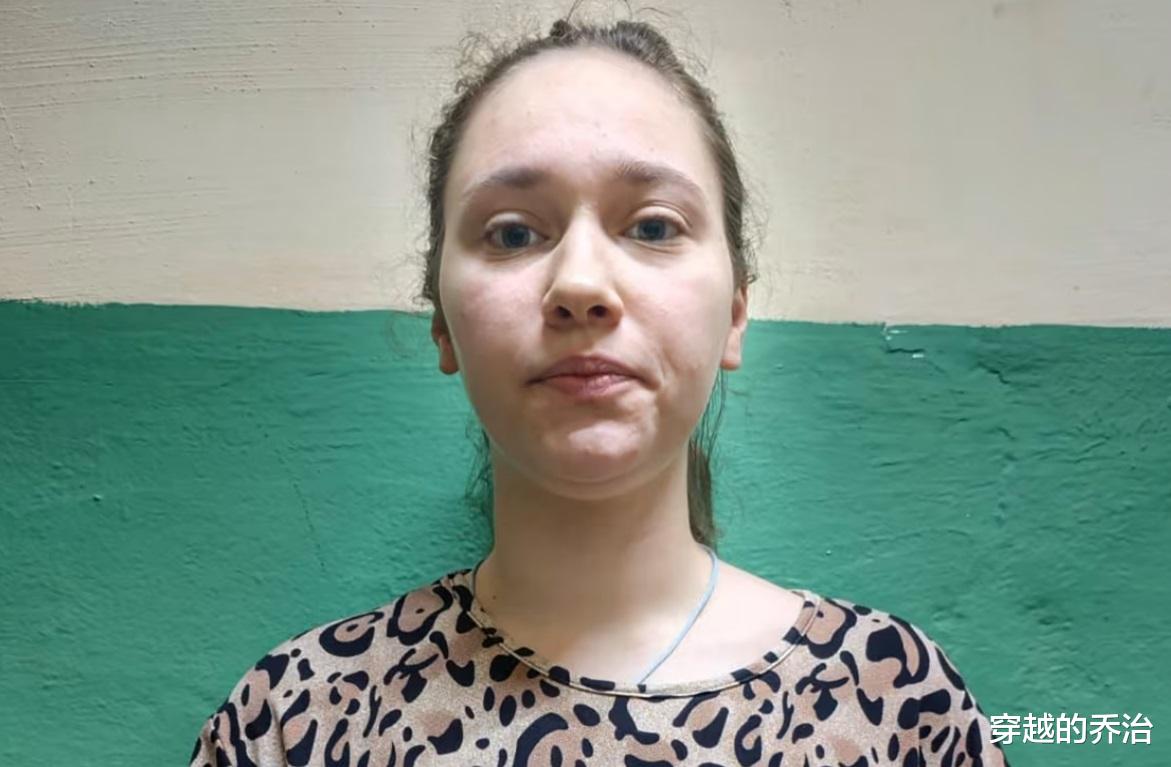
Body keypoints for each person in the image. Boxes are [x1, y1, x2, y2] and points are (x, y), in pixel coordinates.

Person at [189, 12, 1011, 767]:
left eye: (651, 226)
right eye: (513, 232)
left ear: (734, 312)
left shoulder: (896, 706)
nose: (580, 284)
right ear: (442, 324)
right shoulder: (298, 719)